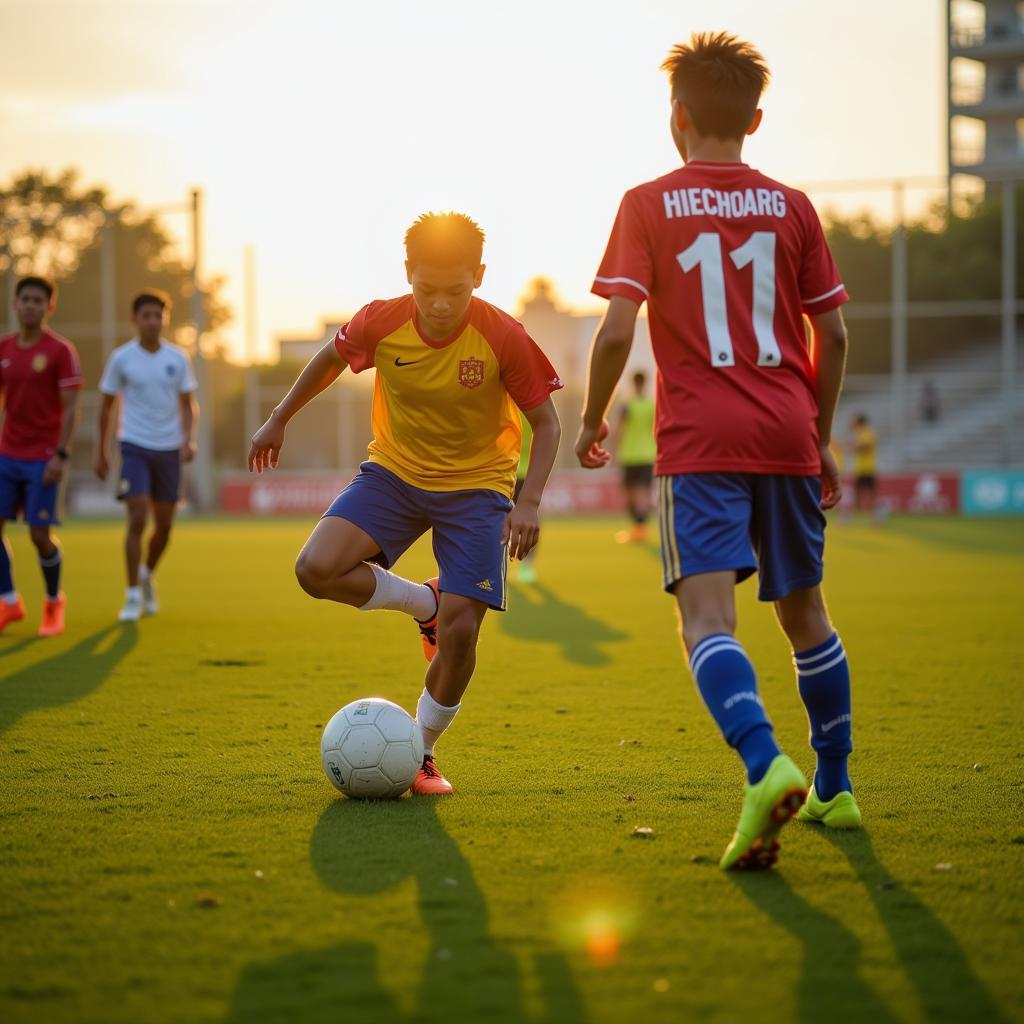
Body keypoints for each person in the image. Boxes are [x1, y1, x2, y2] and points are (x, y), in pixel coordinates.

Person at [576, 33, 860, 870]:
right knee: (805, 613)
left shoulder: (647, 202)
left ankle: (764, 762)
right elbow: (833, 334)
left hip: (701, 440)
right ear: (756, 119)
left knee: (706, 617)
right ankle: (836, 787)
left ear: (678, 116)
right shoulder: (795, 206)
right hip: (786, 429)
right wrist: (819, 432)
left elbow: (618, 328)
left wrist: (593, 417)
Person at [248, 212, 562, 795]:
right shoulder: (382, 320)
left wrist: (529, 500)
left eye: (456, 291)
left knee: (463, 633)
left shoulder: (503, 335)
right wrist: (277, 419)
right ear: (407, 274)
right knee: (314, 570)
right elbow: (329, 358)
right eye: (427, 289)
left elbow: (546, 421)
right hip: (393, 474)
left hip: (477, 490)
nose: (440, 304)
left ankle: (421, 750)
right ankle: (425, 602)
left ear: (480, 276)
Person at [95, 290, 198, 622]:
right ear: (135, 319)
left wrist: (188, 440)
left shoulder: (178, 358)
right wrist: (102, 450)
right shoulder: (121, 358)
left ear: (165, 319)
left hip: (168, 449)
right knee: (137, 516)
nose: (153, 321)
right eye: (147, 315)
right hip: (134, 445)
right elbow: (106, 408)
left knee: (165, 526)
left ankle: (146, 574)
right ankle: (131, 595)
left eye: (159, 315)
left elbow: (188, 405)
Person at [0, 276, 82, 636]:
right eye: (26, 299)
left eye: (38, 300)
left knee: (39, 535)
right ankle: (9, 601)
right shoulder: (4, 349)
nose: (31, 305)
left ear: (49, 307)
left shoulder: (60, 351)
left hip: (43, 457)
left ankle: (53, 602)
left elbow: (71, 408)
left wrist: (61, 455)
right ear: (15, 305)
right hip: (7, 453)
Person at [610, 370, 656, 542]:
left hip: (633, 455)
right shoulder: (651, 405)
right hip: (645, 454)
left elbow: (617, 431)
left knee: (636, 494)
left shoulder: (627, 405)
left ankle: (639, 530)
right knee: (637, 493)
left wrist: (613, 446)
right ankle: (639, 528)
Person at [850, 413, 879, 519]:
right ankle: (859, 513)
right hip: (860, 468)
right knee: (858, 491)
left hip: (868, 468)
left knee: (871, 492)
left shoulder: (868, 432)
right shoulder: (859, 433)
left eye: (855, 421)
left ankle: (873, 513)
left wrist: (855, 446)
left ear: (860, 422)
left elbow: (864, 446)